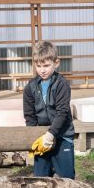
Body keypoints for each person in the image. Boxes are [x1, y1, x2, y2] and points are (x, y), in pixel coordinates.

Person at [23, 41, 75, 179]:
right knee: (41, 178)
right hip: (41, 137)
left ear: (56, 63)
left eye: (46, 65)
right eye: (38, 66)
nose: (42, 70)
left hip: (62, 135)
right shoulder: (30, 87)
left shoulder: (62, 84)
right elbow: (29, 115)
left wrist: (51, 134)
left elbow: (62, 112)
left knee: (67, 177)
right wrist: (33, 135)